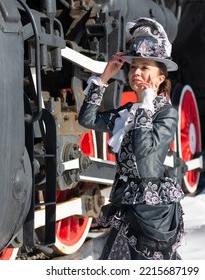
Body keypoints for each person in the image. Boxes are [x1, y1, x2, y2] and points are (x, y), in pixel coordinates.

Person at [78, 17, 184, 260]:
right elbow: (88, 120)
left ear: (159, 78)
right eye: (133, 66)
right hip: (124, 203)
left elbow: (143, 151)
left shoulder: (166, 114)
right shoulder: (126, 113)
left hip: (151, 209)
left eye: (145, 68)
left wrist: (146, 106)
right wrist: (103, 79)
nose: (136, 72)